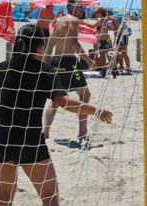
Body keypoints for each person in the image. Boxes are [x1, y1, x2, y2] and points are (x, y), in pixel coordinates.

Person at [0, 24, 112, 206]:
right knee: (49, 195)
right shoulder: (44, 71)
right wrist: (96, 110)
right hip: (29, 139)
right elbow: (65, 102)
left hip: (0, 137)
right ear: (41, 46)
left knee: (5, 194)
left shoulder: (1, 68)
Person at [43, 0, 98, 140]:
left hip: (56, 61)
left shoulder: (59, 21)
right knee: (85, 95)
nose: (82, 9)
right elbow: (74, 43)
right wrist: (88, 60)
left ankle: (46, 133)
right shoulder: (73, 21)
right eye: (80, 6)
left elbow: (50, 45)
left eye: (83, 7)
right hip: (69, 62)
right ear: (71, 6)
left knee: (55, 99)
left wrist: (45, 65)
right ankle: (82, 132)